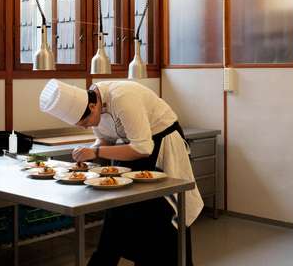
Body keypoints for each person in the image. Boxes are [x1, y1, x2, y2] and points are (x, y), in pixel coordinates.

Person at [39, 79, 203, 266]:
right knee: (117, 207)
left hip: (161, 146)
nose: (85, 127)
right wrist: (87, 153)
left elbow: (143, 148)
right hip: (132, 147)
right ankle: (105, 260)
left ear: (93, 106)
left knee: (158, 214)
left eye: (84, 122)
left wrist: (96, 152)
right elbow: (105, 141)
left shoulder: (123, 98)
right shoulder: (95, 104)